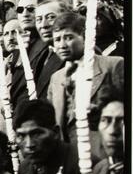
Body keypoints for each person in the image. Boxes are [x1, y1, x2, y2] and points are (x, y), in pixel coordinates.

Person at [47, 12, 123, 154]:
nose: (62, 45)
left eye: (69, 37)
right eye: (57, 39)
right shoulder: (56, 78)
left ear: (84, 36)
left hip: (104, 153)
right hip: (69, 156)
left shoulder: (113, 66)